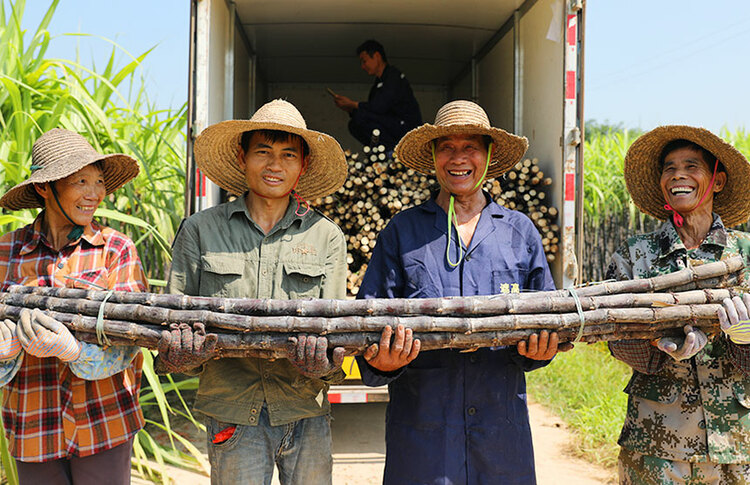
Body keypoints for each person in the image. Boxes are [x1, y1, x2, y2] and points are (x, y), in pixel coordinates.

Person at [355, 100, 571, 484]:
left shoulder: (519, 233)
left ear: (488, 156)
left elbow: (547, 324)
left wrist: (540, 352)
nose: (458, 158)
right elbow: (366, 329)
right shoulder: (402, 233)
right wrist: (381, 361)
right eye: (447, 147)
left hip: (500, 438)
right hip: (423, 439)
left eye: (470, 146)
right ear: (434, 157)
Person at [156, 99, 349, 485]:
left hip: (304, 410)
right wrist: (180, 355)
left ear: (303, 165)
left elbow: (338, 336)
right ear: (242, 157)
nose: (275, 165)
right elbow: (173, 327)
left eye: (288, 155)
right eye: (263, 152)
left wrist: (324, 365)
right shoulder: (200, 230)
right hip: (231, 411)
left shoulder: (326, 236)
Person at [0, 129, 147, 484]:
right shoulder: (6, 252)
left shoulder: (116, 249)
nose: (95, 193)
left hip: (104, 422)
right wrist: (7, 354)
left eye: (99, 181)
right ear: (44, 188)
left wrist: (73, 350)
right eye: (81, 181)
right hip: (32, 424)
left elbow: (130, 344)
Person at [607, 125, 750, 484]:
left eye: (691, 165)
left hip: (739, 443)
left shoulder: (746, 253)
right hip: (656, 442)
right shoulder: (635, 255)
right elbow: (615, 337)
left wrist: (745, 341)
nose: (678, 175)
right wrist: (659, 346)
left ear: (717, 181)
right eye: (669, 168)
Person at [332, 39, 422, 151]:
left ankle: (390, 151)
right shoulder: (378, 84)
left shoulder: (393, 76)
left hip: (405, 128)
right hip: (391, 125)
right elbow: (372, 110)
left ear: (377, 56)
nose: (363, 66)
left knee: (360, 117)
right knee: (355, 121)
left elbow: (379, 106)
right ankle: (377, 150)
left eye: (364, 61)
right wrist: (350, 109)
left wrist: (353, 105)